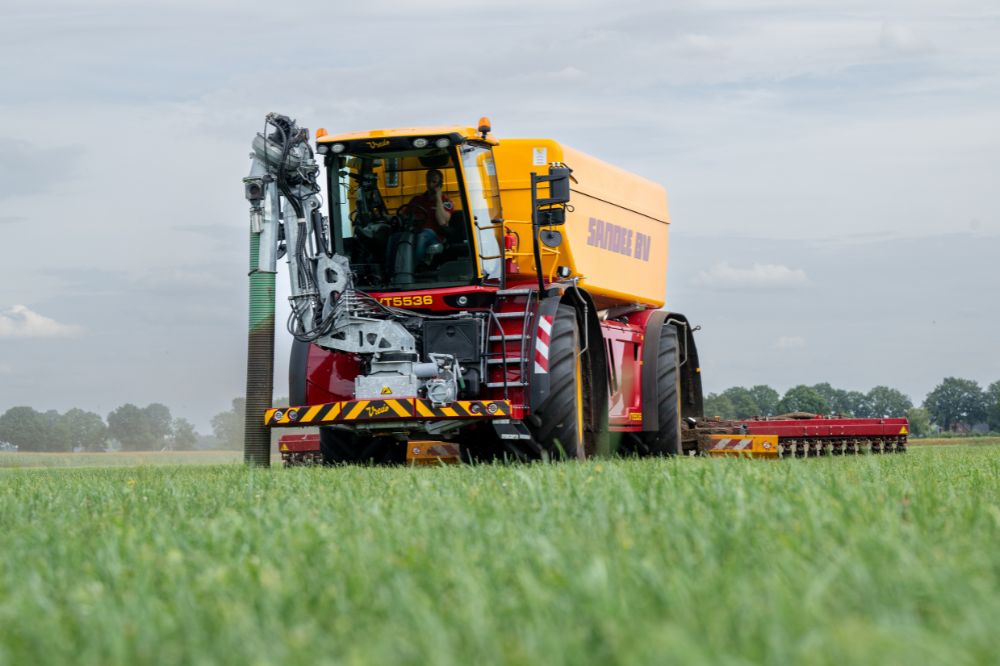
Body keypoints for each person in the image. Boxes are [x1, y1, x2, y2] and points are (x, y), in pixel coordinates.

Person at [405, 169, 454, 264]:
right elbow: (404, 215)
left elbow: (442, 222)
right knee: (395, 237)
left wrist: (438, 198)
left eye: (434, 182)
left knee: (422, 235)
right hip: (414, 231)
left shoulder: (446, 202)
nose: (430, 184)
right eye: (428, 181)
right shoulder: (417, 199)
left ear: (440, 184)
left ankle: (413, 267)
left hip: (433, 236)